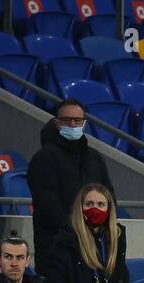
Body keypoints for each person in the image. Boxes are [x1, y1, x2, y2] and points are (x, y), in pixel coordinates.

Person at [27, 99, 113, 272]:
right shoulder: (44, 158)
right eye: (66, 120)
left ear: (84, 124)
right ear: (57, 123)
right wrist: (82, 231)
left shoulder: (94, 158)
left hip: (94, 249)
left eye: (77, 120)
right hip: (56, 250)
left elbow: (109, 197)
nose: (72, 124)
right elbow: (48, 207)